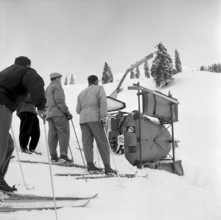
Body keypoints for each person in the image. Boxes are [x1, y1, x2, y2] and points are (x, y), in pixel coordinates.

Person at [0, 56, 46, 192]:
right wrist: (41, 105)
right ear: (28, 65)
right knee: (1, 144)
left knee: (8, 145)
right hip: (1, 105)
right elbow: (36, 82)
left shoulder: (6, 72)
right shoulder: (25, 71)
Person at [76, 75, 116, 174]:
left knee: (87, 143)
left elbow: (78, 110)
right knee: (102, 142)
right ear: (96, 81)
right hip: (95, 118)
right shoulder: (99, 88)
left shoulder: (81, 93)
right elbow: (103, 102)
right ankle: (107, 167)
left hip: (83, 120)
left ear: (88, 82)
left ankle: (90, 165)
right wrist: (103, 116)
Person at [45, 72, 73, 163]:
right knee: (63, 133)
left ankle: (53, 156)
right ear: (57, 79)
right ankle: (63, 155)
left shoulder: (48, 88)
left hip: (50, 114)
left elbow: (46, 103)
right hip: (59, 113)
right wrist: (66, 112)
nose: (60, 80)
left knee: (52, 135)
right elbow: (60, 101)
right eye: (60, 78)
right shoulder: (57, 86)